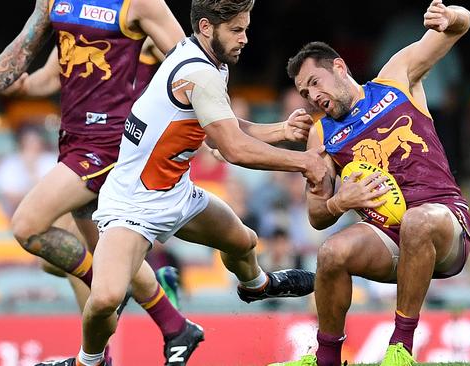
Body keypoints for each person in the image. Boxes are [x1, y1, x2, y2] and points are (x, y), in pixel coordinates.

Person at [37, 0, 327, 365]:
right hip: (133, 206)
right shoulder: (199, 72)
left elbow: (222, 131)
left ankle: (257, 285)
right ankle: (87, 361)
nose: (245, 39)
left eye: (246, 28)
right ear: (207, 27)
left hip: (177, 193)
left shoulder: (206, 62)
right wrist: (304, 162)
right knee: (105, 299)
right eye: (237, 30)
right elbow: (232, 149)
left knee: (243, 242)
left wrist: (281, 130)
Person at [0, 0, 206, 365]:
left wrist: (202, 133)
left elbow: (195, 68)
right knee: (101, 259)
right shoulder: (57, 3)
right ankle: (174, 326)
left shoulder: (140, 5)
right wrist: (20, 76)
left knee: (28, 226)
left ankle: (96, 353)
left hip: (109, 144)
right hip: (72, 141)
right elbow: (49, 74)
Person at [274, 1, 470, 365]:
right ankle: (326, 359)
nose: (313, 97)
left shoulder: (395, 79)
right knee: (330, 253)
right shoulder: (321, 135)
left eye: (315, 83)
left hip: (445, 225)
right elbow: (317, 216)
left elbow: (460, 25)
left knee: (418, 221)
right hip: (388, 241)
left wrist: (451, 16)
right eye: (304, 93)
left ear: (339, 67)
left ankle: (400, 350)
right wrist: (340, 201)